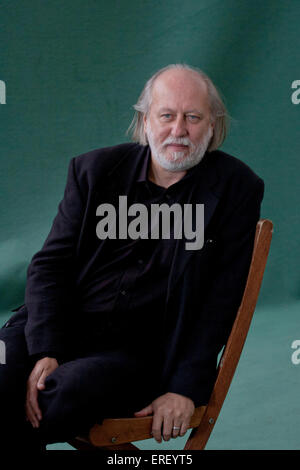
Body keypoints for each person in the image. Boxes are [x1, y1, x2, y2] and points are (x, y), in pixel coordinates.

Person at [0, 64, 264, 451]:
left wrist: (185, 388)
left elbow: (221, 301)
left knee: (60, 394)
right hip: (57, 326)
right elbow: (49, 265)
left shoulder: (237, 188)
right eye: (167, 115)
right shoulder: (93, 170)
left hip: (136, 357)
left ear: (212, 126)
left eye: (193, 117)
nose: (179, 130)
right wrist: (46, 349)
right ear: (145, 121)